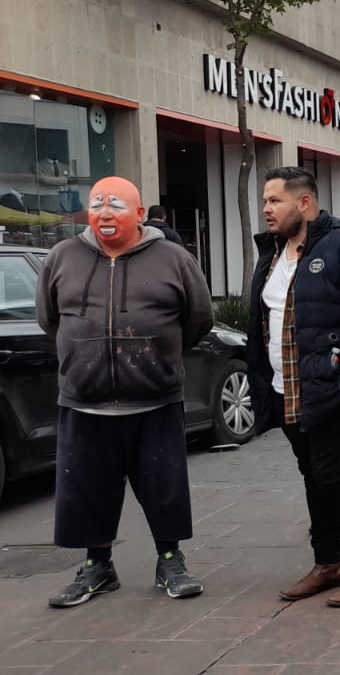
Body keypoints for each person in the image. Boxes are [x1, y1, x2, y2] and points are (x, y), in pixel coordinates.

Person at [37, 177, 212, 607]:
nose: (105, 214)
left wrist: (156, 353)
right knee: (86, 488)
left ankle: (170, 560)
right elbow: (50, 320)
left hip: (154, 397)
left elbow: (199, 318)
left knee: (163, 485)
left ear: (138, 214)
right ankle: (98, 566)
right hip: (85, 399)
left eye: (116, 206)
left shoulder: (173, 258)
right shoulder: (62, 257)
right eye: (97, 205)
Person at [246, 166, 340, 607]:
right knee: (315, 477)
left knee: (334, 476)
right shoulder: (272, 252)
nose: (267, 209)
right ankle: (328, 563)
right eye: (265, 201)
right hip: (288, 389)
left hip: (335, 391)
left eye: (275, 201)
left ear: (305, 203)